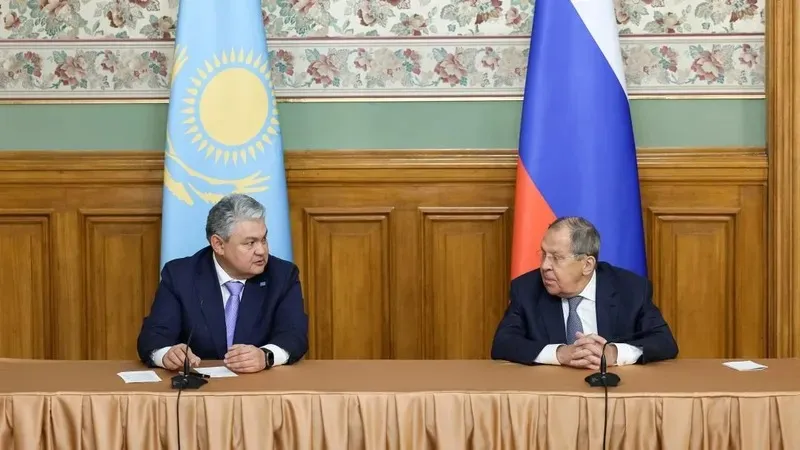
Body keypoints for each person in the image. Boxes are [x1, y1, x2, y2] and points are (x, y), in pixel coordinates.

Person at [137, 193, 308, 373]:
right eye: (250, 243)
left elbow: (294, 335)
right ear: (218, 244)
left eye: (263, 239)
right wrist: (167, 354)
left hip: (259, 384)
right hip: (200, 385)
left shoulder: (282, 275)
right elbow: (153, 336)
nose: (261, 250)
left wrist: (266, 356)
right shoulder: (181, 276)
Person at [491, 216, 678, 368]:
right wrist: (559, 353)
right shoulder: (526, 289)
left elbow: (664, 342)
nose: (545, 266)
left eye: (556, 258)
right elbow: (503, 344)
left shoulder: (630, 289)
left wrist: (614, 353)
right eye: (544, 254)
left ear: (587, 265)